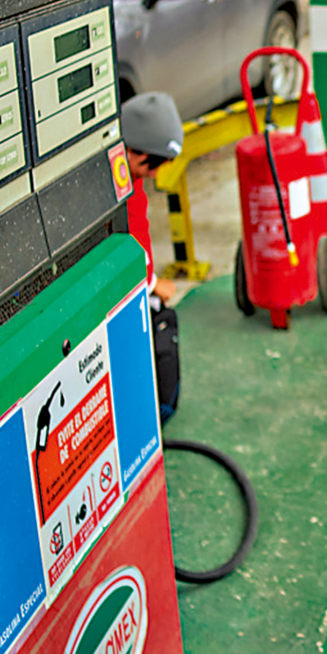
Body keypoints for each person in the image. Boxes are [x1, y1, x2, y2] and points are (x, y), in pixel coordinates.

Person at [120, 93, 185, 422]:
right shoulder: (119, 191)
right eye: (153, 165)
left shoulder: (134, 179)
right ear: (133, 152)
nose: (153, 174)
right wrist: (153, 284)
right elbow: (129, 246)